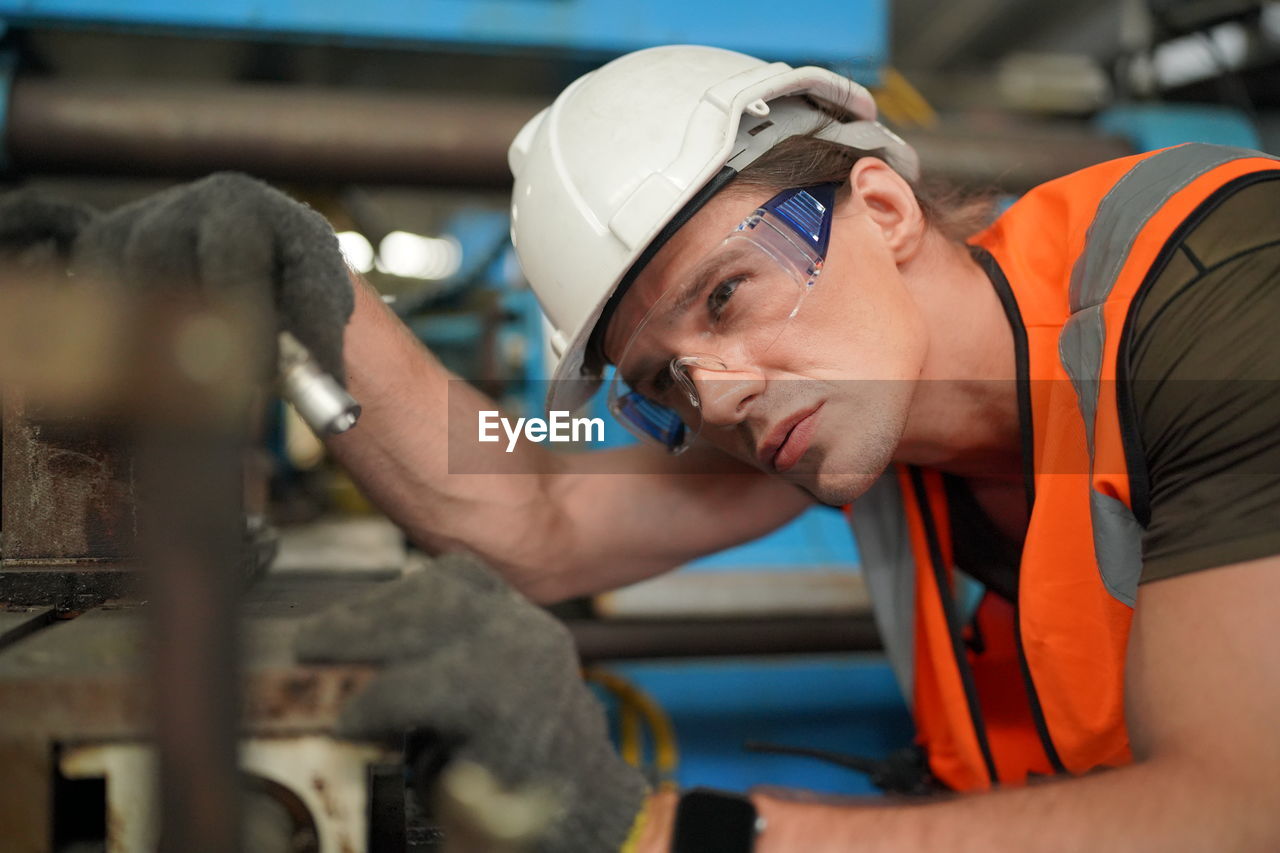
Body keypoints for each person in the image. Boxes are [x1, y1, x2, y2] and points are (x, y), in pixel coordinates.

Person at [3, 43, 1278, 852]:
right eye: (661, 380)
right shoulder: (836, 401)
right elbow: (537, 495)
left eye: (724, 295)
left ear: (880, 204)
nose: (715, 394)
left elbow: (1238, 810)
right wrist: (308, 298)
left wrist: (653, 829)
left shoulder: (1223, 303)